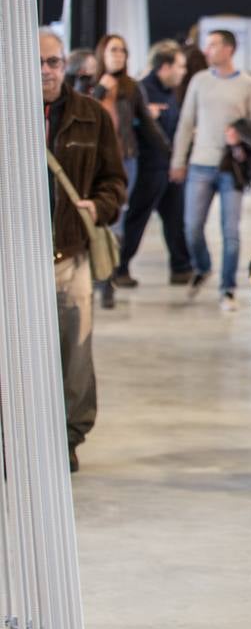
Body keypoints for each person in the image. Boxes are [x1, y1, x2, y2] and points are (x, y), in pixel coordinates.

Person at [39, 28, 127, 472]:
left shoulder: (90, 115)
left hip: (68, 254)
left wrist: (101, 206)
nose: (47, 72)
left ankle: (70, 436)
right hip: (15, 261)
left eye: (54, 63)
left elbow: (115, 180)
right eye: (38, 63)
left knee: (75, 352)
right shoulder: (11, 112)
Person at [170, 28, 251, 312]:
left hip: (230, 168)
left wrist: (240, 135)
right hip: (200, 163)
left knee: (231, 232)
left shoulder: (248, 84)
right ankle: (203, 266)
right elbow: (186, 122)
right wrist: (178, 160)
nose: (207, 51)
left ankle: (228, 288)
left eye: (212, 45)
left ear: (228, 49)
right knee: (192, 227)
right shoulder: (199, 81)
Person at [91, 33, 170, 306]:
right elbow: (86, 114)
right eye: (113, 50)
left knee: (117, 220)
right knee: (94, 218)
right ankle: (96, 275)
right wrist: (101, 89)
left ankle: (109, 279)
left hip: (125, 160)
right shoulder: (89, 84)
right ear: (103, 54)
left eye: (122, 51)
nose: (118, 55)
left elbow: (147, 124)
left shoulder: (132, 87)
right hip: (93, 162)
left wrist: (169, 152)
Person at [119, 40, 193, 287]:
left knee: (175, 219)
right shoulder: (141, 90)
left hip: (168, 166)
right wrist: (145, 117)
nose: (183, 72)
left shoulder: (169, 91)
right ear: (165, 66)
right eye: (180, 67)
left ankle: (181, 268)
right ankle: (118, 269)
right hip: (149, 168)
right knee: (137, 220)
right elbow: (127, 125)